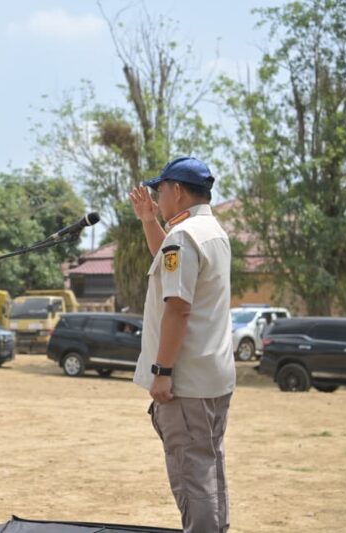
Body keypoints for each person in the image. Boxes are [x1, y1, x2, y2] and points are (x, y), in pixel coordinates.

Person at [130, 156, 235, 533]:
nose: (157, 197)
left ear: (177, 190)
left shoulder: (184, 236)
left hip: (185, 381)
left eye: (160, 191)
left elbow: (177, 309)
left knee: (192, 476)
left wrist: (162, 372)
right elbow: (168, 263)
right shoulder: (209, 231)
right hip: (212, 375)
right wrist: (149, 221)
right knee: (208, 465)